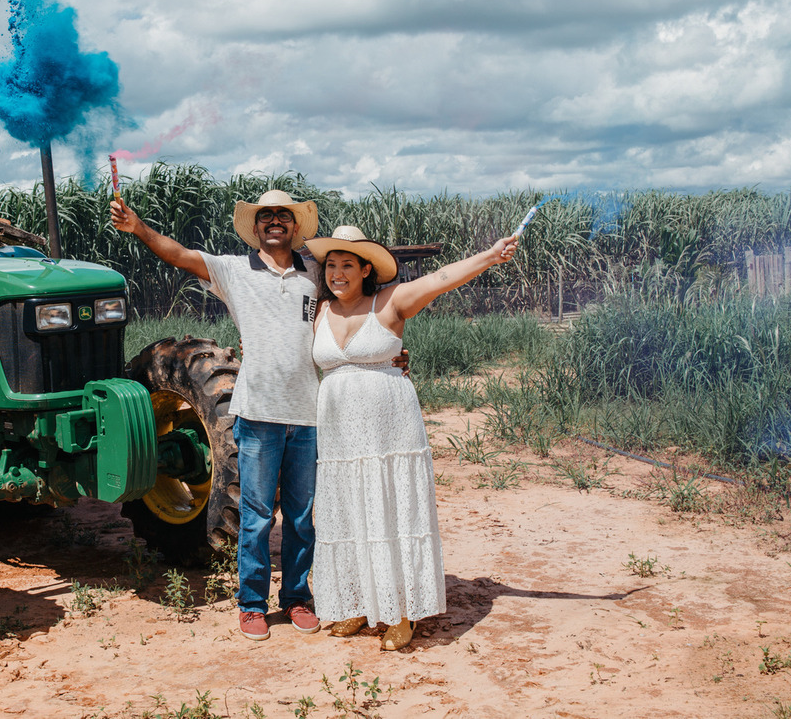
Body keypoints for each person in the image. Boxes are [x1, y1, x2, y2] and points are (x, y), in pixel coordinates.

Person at [111, 189, 328, 642]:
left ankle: (296, 598)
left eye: (282, 216)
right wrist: (140, 228)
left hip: (308, 414)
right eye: (265, 216)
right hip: (258, 413)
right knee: (255, 515)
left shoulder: (315, 273)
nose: (274, 222)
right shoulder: (234, 270)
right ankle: (251, 604)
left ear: (295, 225)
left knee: (303, 516)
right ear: (255, 227)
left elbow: (355, 306)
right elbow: (182, 255)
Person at [305, 224, 517, 651]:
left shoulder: (391, 301)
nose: (338, 273)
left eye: (348, 264)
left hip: (389, 430)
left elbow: (440, 280)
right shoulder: (319, 311)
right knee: (348, 510)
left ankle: (401, 611)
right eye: (331, 265)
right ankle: (360, 604)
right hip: (340, 437)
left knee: (391, 507)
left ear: (367, 269)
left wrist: (491, 255)